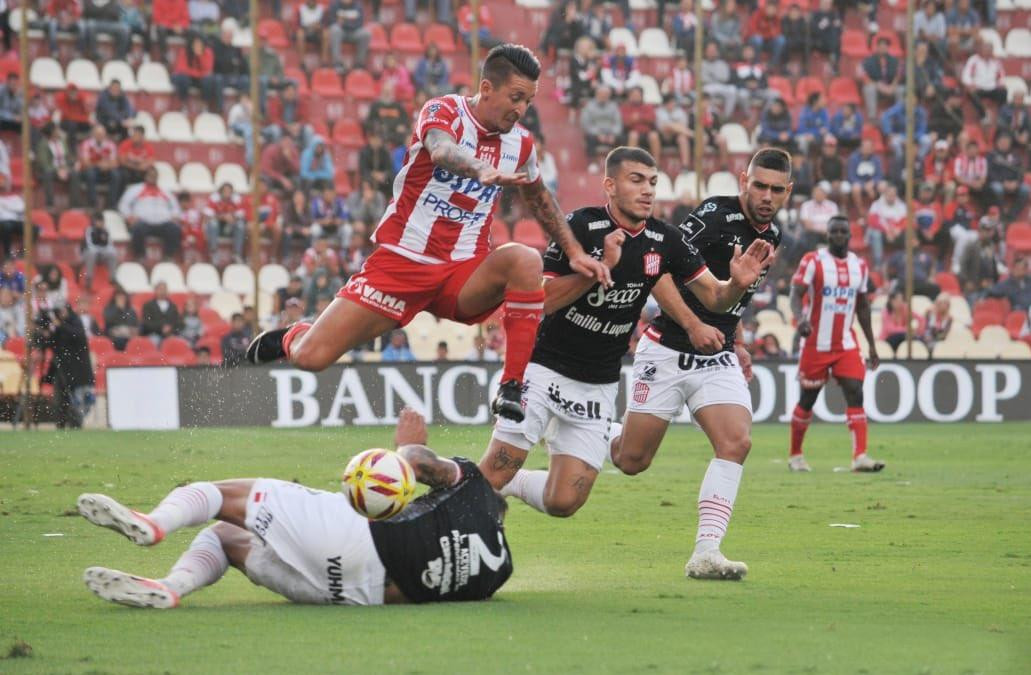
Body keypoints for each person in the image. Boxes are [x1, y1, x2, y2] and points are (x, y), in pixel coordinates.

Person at [247, 45, 610, 423]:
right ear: (487, 89)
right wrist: (479, 169)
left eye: (528, 101)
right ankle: (293, 336)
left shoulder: (521, 144)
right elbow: (440, 149)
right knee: (310, 359)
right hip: (402, 263)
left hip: (463, 271)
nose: (520, 109)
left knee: (525, 259)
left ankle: (512, 386)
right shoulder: (444, 110)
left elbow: (538, 196)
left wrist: (574, 250)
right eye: (515, 97)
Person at [481, 147, 774, 519]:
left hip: (598, 384)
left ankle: (481, 479)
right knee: (497, 467)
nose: (648, 190)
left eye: (652, 182)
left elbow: (715, 298)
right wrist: (599, 268)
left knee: (563, 501)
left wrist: (735, 285)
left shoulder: (665, 239)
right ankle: (442, 504)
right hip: (543, 369)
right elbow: (541, 302)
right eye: (636, 180)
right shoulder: (580, 226)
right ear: (610, 185)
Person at [76, 408, 512, 608]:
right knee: (227, 541)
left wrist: (405, 443)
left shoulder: (473, 484)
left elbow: (418, 464)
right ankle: (171, 589)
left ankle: (154, 524)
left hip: (357, 535)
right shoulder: (496, 573)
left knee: (217, 496)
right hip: (347, 593)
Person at [609, 148, 791, 581]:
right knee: (631, 461)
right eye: (759, 185)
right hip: (668, 348)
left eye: (776, 189)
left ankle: (706, 552)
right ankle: (589, 428)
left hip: (718, 355)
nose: (766, 196)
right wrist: (692, 324)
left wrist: (739, 340)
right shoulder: (712, 216)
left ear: (788, 191)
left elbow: (737, 293)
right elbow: (657, 269)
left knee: (736, 442)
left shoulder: (773, 234)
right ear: (743, 178)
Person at [787, 216, 883, 473]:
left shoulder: (860, 266)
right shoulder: (813, 261)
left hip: (845, 343)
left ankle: (860, 456)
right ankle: (795, 455)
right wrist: (800, 319)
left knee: (856, 390)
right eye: (834, 232)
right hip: (815, 343)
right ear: (827, 235)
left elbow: (862, 307)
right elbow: (795, 293)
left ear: (850, 236)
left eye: (843, 231)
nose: (839, 235)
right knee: (808, 400)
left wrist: (872, 345)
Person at [119, 166, 182, 260]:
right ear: (145, 176)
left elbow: (175, 207)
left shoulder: (165, 191)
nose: (152, 177)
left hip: (163, 222)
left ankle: (168, 257)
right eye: (150, 175)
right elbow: (123, 205)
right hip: (143, 222)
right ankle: (140, 256)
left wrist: (174, 216)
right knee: (137, 229)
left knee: (175, 229)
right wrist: (129, 217)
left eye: (154, 175)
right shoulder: (135, 190)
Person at [77, 124, 122, 210]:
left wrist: (107, 166)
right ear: (93, 134)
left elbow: (115, 162)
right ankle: (93, 203)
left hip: (106, 170)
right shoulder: (86, 144)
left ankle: (112, 204)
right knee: (90, 173)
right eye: (98, 134)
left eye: (102, 134)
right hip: (92, 169)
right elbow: (85, 162)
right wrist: (99, 164)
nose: (100, 136)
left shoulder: (110, 144)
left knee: (116, 174)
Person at [203, 182, 247, 262]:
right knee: (213, 223)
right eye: (225, 191)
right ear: (220, 191)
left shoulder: (236, 199)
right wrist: (222, 217)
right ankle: (214, 252)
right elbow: (208, 215)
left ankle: (237, 254)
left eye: (229, 191)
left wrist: (232, 217)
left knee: (240, 225)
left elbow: (241, 214)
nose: (227, 193)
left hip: (231, 225)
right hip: (218, 226)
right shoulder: (214, 198)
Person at [82, 212, 118, 289]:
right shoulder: (89, 230)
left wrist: (103, 251)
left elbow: (109, 245)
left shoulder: (106, 231)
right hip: (89, 253)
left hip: (102, 253)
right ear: (94, 221)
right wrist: (98, 251)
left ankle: (112, 278)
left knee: (113, 253)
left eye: (101, 221)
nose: (100, 223)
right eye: (98, 221)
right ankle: (89, 278)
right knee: (92, 253)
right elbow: (89, 245)